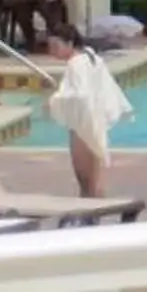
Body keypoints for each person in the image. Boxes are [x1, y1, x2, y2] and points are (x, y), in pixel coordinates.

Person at [47, 25, 132, 199]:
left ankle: (90, 220)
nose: (52, 51)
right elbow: (102, 87)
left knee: (86, 181)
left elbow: (81, 96)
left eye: (56, 46)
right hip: (95, 121)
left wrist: (54, 99)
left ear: (70, 43)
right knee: (95, 179)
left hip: (83, 125)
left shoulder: (76, 64)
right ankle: (95, 217)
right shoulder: (91, 56)